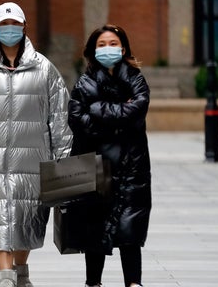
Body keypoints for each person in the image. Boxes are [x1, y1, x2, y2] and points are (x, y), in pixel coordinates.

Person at [0, 2, 71, 287]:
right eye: (3, 25)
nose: (9, 30)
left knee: (28, 220)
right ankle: (5, 278)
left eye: (14, 24)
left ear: (23, 27)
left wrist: (61, 157)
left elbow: (59, 115)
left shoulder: (44, 69)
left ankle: (20, 271)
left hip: (34, 160)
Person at [68, 24, 151, 287]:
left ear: (123, 47)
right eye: (102, 44)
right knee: (95, 226)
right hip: (96, 164)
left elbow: (137, 111)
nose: (108, 49)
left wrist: (99, 109)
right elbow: (77, 119)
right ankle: (93, 282)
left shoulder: (136, 79)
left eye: (113, 43)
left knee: (130, 226)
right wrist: (117, 119)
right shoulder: (84, 82)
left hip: (131, 165)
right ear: (93, 50)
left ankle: (134, 283)